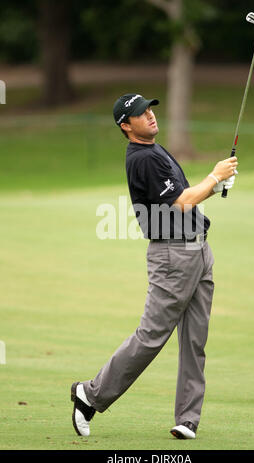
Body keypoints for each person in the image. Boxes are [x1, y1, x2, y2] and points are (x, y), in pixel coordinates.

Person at [71, 93, 238, 439]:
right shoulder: (143, 158)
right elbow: (181, 202)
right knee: (151, 337)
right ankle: (90, 394)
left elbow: (186, 197)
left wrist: (216, 185)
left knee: (194, 339)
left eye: (149, 109)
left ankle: (187, 418)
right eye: (140, 113)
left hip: (198, 250)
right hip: (173, 256)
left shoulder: (155, 149)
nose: (149, 115)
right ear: (125, 125)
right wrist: (214, 176)